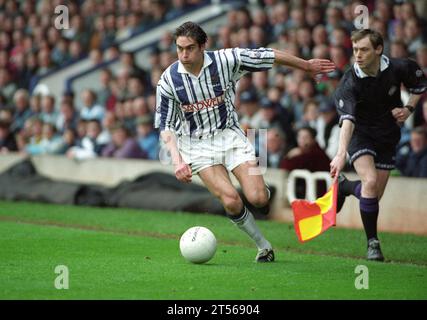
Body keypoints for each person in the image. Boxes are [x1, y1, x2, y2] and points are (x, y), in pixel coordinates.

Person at [155, 21, 335, 262]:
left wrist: (306, 66)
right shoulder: (168, 80)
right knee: (230, 199)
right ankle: (263, 246)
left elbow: (268, 55)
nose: (183, 55)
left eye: (189, 48)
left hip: (230, 136)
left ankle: (262, 190)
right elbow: (166, 126)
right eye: (179, 49)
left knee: (259, 198)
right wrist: (177, 161)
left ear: (202, 47)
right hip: (195, 146)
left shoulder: (226, 60)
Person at [330, 29, 427, 262]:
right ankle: (373, 243)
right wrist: (341, 153)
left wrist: (409, 109)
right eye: (355, 50)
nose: (358, 55)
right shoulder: (350, 81)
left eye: (363, 49)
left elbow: (419, 86)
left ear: (378, 49)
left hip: (388, 135)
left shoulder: (400, 67)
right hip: (360, 134)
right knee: (370, 182)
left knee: (372, 194)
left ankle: (344, 188)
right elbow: (347, 121)